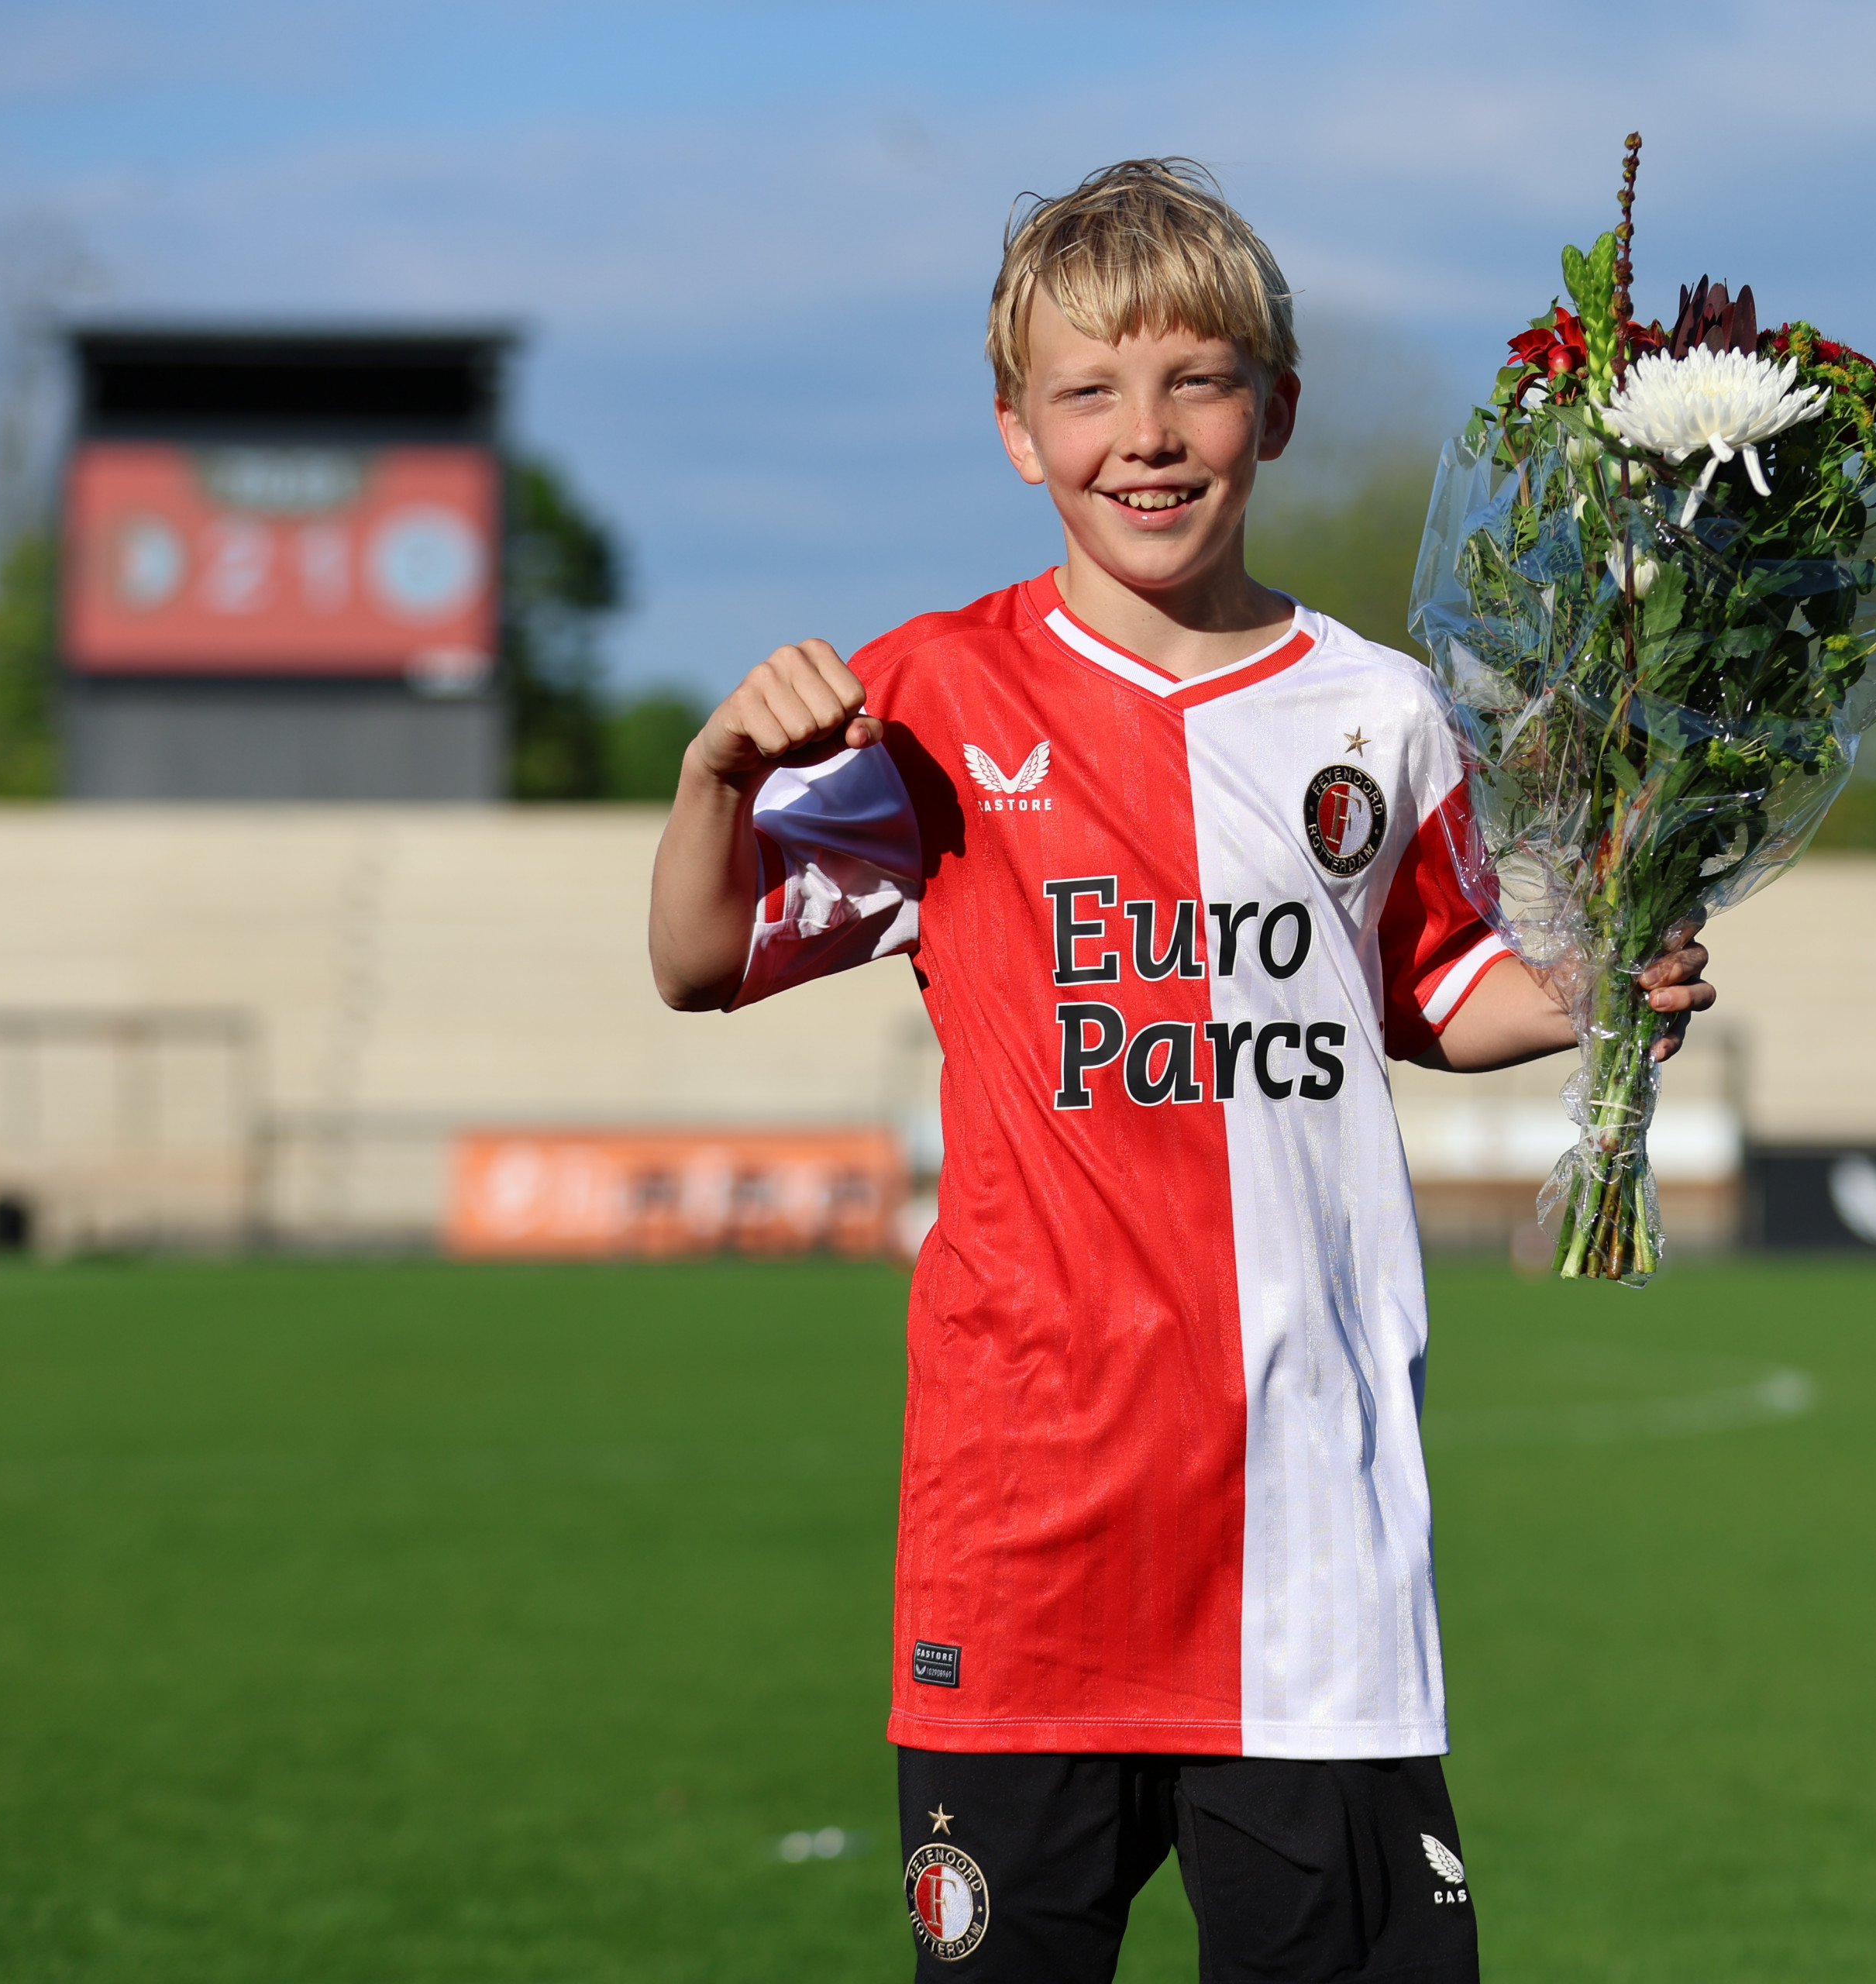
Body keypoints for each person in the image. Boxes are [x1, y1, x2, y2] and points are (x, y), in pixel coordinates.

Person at [646, 159, 1714, 1984]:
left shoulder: (1378, 705)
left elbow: (1433, 984)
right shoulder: (931, 698)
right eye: (1088, 392)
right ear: (1015, 430)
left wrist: (1598, 984)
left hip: (1320, 1530)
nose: (1145, 437)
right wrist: (712, 778)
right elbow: (698, 959)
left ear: (1274, 408)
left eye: (1196, 382)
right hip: (1028, 1531)